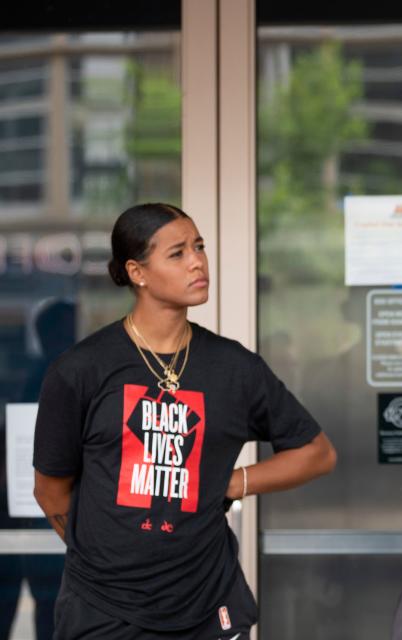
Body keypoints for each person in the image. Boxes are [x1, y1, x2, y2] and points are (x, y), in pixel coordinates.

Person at [32, 203, 337, 639]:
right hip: (103, 612)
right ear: (137, 272)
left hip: (208, 607)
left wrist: (233, 483)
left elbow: (317, 453)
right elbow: (50, 490)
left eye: (199, 247)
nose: (197, 261)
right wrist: (106, 558)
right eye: (177, 253)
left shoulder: (235, 369)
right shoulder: (81, 370)